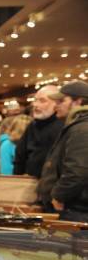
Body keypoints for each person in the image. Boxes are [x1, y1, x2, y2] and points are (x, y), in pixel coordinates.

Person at [38, 81, 88, 222]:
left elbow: (78, 170)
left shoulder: (82, 128)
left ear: (77, 101)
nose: (56, 105)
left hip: (77, 210)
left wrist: (59, 196)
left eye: (61, 101)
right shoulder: (79, 125)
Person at [13, 85, 64, 177]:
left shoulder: (64, 127)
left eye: (42, 101)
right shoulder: (32, 126)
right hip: (28, 184)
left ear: (56, 103)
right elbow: (20, 156)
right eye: (35, 100)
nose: (35, 105)